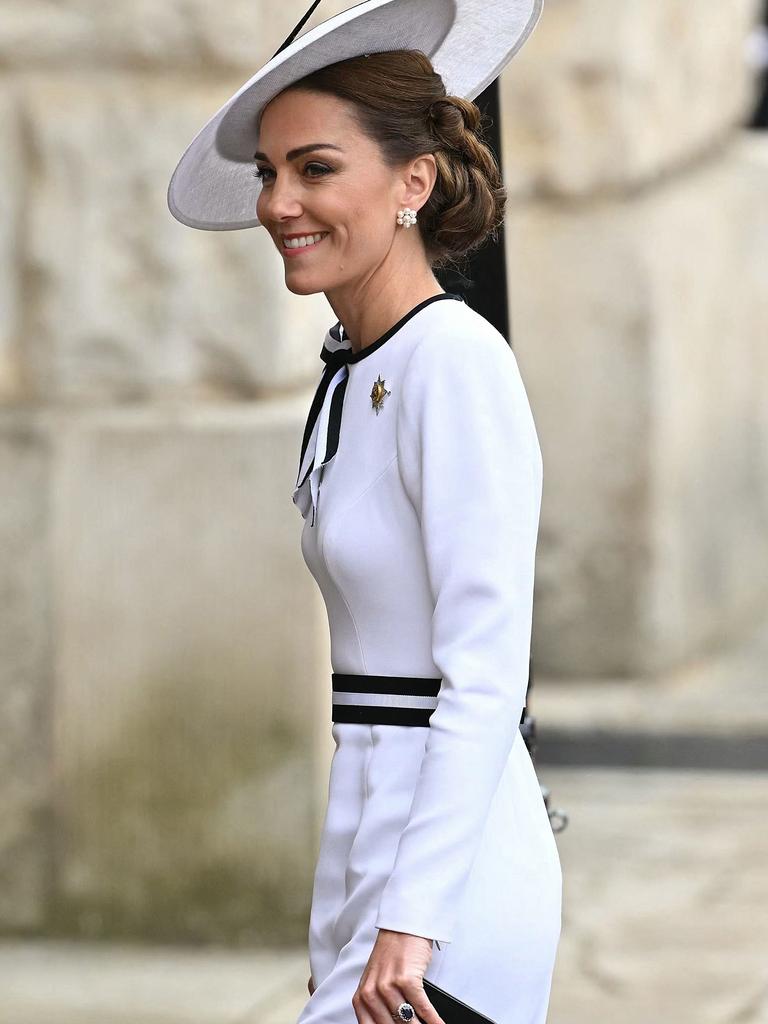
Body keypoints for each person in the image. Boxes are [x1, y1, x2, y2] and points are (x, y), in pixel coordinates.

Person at [167, 4, 560, 1023]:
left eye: (315, 168)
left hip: (451, 893)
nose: (280, 202)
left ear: (412, 185)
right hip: (379, 873)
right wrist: (338, 920)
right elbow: (366, 722)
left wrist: (410, 918)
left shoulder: (457, 365)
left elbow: (484, 669)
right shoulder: (352, 369)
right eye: (268, 172)